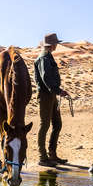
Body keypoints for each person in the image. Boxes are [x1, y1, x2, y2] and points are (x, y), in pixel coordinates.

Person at [34, 33, 70, 167]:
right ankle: (42, 157)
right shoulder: (43, 57)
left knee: (57, 124)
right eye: (56, 43)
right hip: (45, 96)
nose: (57, 45)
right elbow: (46, 78)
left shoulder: (48, 56)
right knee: (45, 125)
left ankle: (52, 154)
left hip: (51, 95)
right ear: (51, 45)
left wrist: (57, 91)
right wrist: (58, 91)